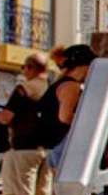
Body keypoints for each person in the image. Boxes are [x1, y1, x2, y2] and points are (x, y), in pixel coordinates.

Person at [0, 54, 54, 195]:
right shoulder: (52, 88)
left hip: (24, 148)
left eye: (24, 68)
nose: (23, 72)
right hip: (47, 149)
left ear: (30, 68)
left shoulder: (24, 89)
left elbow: (6, 117)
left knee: (22, 193)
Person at [42, 45, 98, 175]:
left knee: (59, 192)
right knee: (68, 192)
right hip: (64, 146)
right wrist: (92, 124)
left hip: (54, 145)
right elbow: (65, 116)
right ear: (84, 66)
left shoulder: (58, 84)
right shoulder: (71, 86)